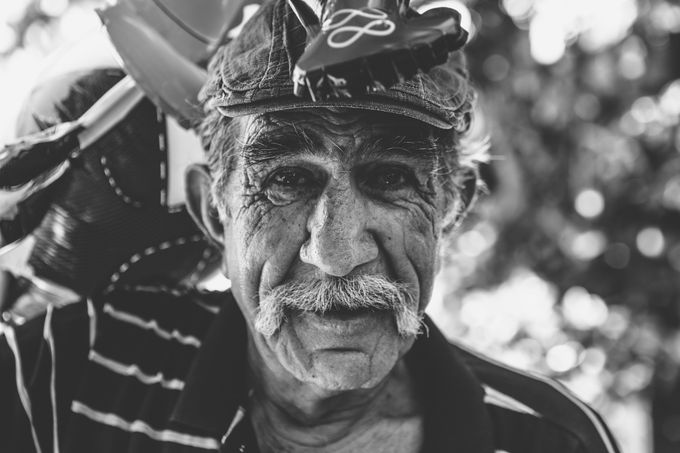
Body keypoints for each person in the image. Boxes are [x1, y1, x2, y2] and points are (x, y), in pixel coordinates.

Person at [0, 0, 621, 452]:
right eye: (286, 180)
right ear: (214, 210)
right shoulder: (70, 369)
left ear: (452, 204)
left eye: (391, 178)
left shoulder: (549, 439)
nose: (337, 251)